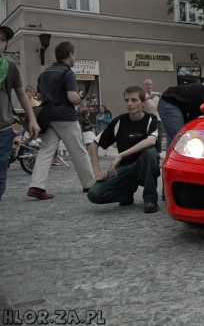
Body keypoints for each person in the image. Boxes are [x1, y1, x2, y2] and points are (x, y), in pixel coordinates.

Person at [27, 42, 95, 200]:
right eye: (75, 54)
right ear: (70, 54)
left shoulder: (44, 73)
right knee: (78, 151)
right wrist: (79, 96)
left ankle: (36, 186)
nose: (75, 57)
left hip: (47, 115)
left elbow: (39, 96)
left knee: (45, 151)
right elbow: (72, 98)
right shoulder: (68, 72)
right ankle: (89, 184)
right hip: (65, 115)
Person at [87, 86, 160, 213]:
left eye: (134, 100)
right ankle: (126, 193)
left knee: (150, 153)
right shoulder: (119, 121)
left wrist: (121, 155)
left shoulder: (151, 119)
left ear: (143, 103)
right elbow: (93, 144)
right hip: (124, 170)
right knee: (94, 194)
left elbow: (151, 140)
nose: (129, 104)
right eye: (127, 100)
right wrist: (97, 171)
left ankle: (150, 199)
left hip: (143, 168)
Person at [0, 26, 40, 202]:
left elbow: (22, 94)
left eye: (2, 40)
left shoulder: (10, 66)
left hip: (3, 129)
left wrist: (31, 119)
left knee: (0, 176)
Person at [142, 79, 162, 152]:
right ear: (143, 86)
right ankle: (148, 152)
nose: (149, 86)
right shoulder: (142, 95)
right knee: (148, 137)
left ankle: (158, 153)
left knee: (159, 137)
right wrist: (148, 98)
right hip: (146, 119)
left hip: (158, 119)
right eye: (147, 84)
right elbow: (140, 104)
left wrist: (161, 97)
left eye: (150, 84)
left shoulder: (156, 94)